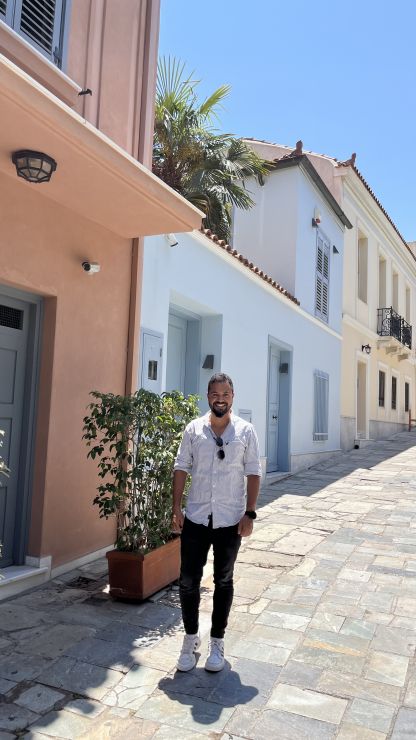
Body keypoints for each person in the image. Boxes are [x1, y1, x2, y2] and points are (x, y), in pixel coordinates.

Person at [172, 372, 261, 672]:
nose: (220, 399)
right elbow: (181, 467)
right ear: (208, 396)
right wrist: (176, 508)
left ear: (232, 397)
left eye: (225, 394)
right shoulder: (194, 429)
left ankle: (217, 641)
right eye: (214, 394)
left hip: (230, 519)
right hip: (197, 517)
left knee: (224, 581)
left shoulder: (246, 431)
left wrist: (250, 513)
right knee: (188, 581)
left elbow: (253, 472)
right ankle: (190, 638)